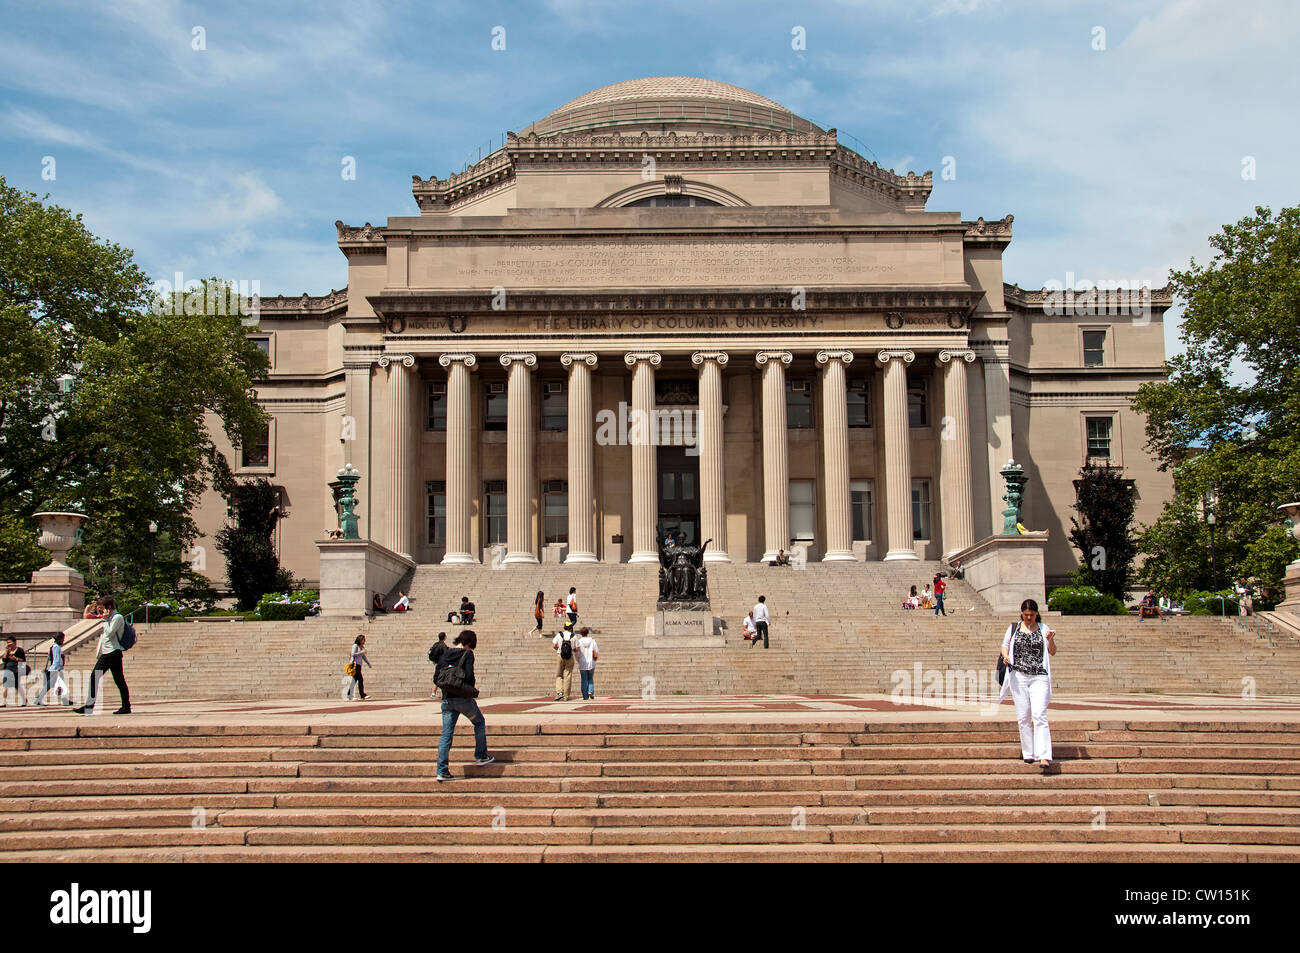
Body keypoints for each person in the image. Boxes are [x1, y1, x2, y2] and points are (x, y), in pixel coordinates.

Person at [999, 598, 1057, 769]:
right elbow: (1004, 645)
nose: (1029, 618)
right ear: (1022, 614)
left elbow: (1052, 652)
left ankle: (1044, 755)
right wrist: (1006, 656)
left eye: (1032, 615)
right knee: (1023, 716)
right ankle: (1029, 753)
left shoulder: (1044, 629)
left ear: (1037, 614)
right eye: (1026, 615)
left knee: (1039, 714)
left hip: (1039, 676)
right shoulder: (1014, 628)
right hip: (1019, 677)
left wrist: (1051, 640)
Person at [435, 630, 493, 781]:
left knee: (446, 735)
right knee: (479, 722)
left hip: (447, 700)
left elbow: (436, 678)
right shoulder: (467, 654)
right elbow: (469, 677)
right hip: (463, 700)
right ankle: (481, 756)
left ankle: (442, 770)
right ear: (469, 643)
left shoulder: (445, 653)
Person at [74, 596, 130, 715]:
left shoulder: (117, 617)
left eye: (102, 608)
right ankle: (89, 706)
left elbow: (110, 634)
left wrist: (105, 620)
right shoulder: (110, 618)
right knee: (95, 677)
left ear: (108, 607)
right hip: (106, 653)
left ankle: (126, 706)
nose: (100, 610)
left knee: (119, 680)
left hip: (113, 653)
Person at [34, 632, 70, 706]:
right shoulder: (56, 647)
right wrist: (58, 669)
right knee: (49, 685)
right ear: (59, 639)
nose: (63, 641)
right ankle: (38, 699)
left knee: (58, 685)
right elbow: (56, 659)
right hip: (55, 669)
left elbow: (50, 657)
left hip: (54, 668)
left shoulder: (53, 647)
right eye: (62, 639)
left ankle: (65, 700)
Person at [553, 622, 577, 700]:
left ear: (564, 627)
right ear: (571, 628)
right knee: (568, 676)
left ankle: (559, 692)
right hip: (570, 657)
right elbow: (577, 648)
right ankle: (566, 696)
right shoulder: (573, 636)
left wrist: (559, 649)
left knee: (559, 675)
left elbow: (554, 645)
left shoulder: (559, 635)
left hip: (560, 656)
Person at [2, 637, 27, 707]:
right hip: (8, 669)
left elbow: (23, 660)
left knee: (17, 686)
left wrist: (15, 659)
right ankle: (4, 702)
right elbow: (4, 660)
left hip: (16, 670)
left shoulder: (19, 650)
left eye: (10, 642)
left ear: (15, 642)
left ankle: (24, 700)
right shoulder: (8, 651)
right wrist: (6, 651)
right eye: (7, 643)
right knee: (5, 686)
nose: (8, 644)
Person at [575, 626, 599, 700]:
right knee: (590, 678)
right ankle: (590, 691)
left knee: (584, 679)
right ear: (587, 633)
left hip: (582, 662)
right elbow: (596, 651)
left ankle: (585, 696)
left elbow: (577, 653)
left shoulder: (579, 642)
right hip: (591, 662)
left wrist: (578, 660)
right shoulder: (592, 641)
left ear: (581, 633)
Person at [346, 634, 371, 700]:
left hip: (359, 665)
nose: (364, 641)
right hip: (354, 665)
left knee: (354, 680)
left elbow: (363, 657)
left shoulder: (362, 647)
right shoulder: (355, 646)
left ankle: (350, 695)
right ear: (359, 640)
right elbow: (353, 654)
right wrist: (361, 652)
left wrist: (368, 663)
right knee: (360, 679)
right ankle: (362, 695)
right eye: (363, 640)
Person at [428, 631, 449, 698]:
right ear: (445, 637)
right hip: (442, 664)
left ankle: (434, 692)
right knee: (442, 677)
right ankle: (435, 693)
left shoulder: (436, 644)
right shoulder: (443, 645)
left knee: (438, 677)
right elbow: (446, 655)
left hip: (437, 663)